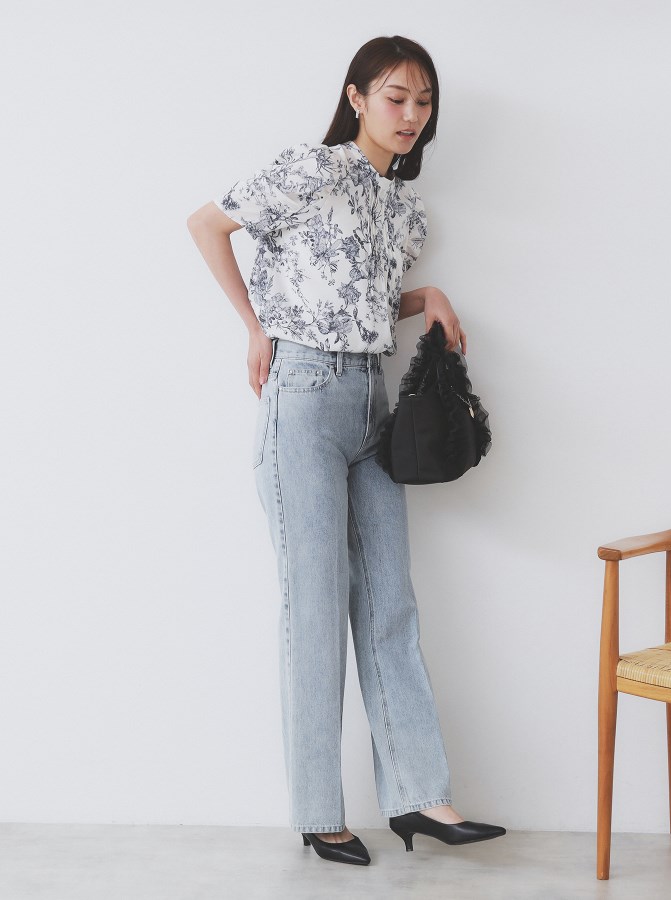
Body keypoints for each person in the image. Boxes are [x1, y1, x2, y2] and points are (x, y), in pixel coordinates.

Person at [187, 34, 505, 866]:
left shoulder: (404, 209)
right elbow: (207, 224)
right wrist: (254, 329)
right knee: (316, 608)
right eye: (396, 97)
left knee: (391, 601)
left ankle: (420, 795)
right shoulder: (311, 168)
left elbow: (359, 297)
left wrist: (427, 294)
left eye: (424, 102)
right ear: (357, 98)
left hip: (372, 400)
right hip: (302, 396)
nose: (411, 114)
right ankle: (318, 811)